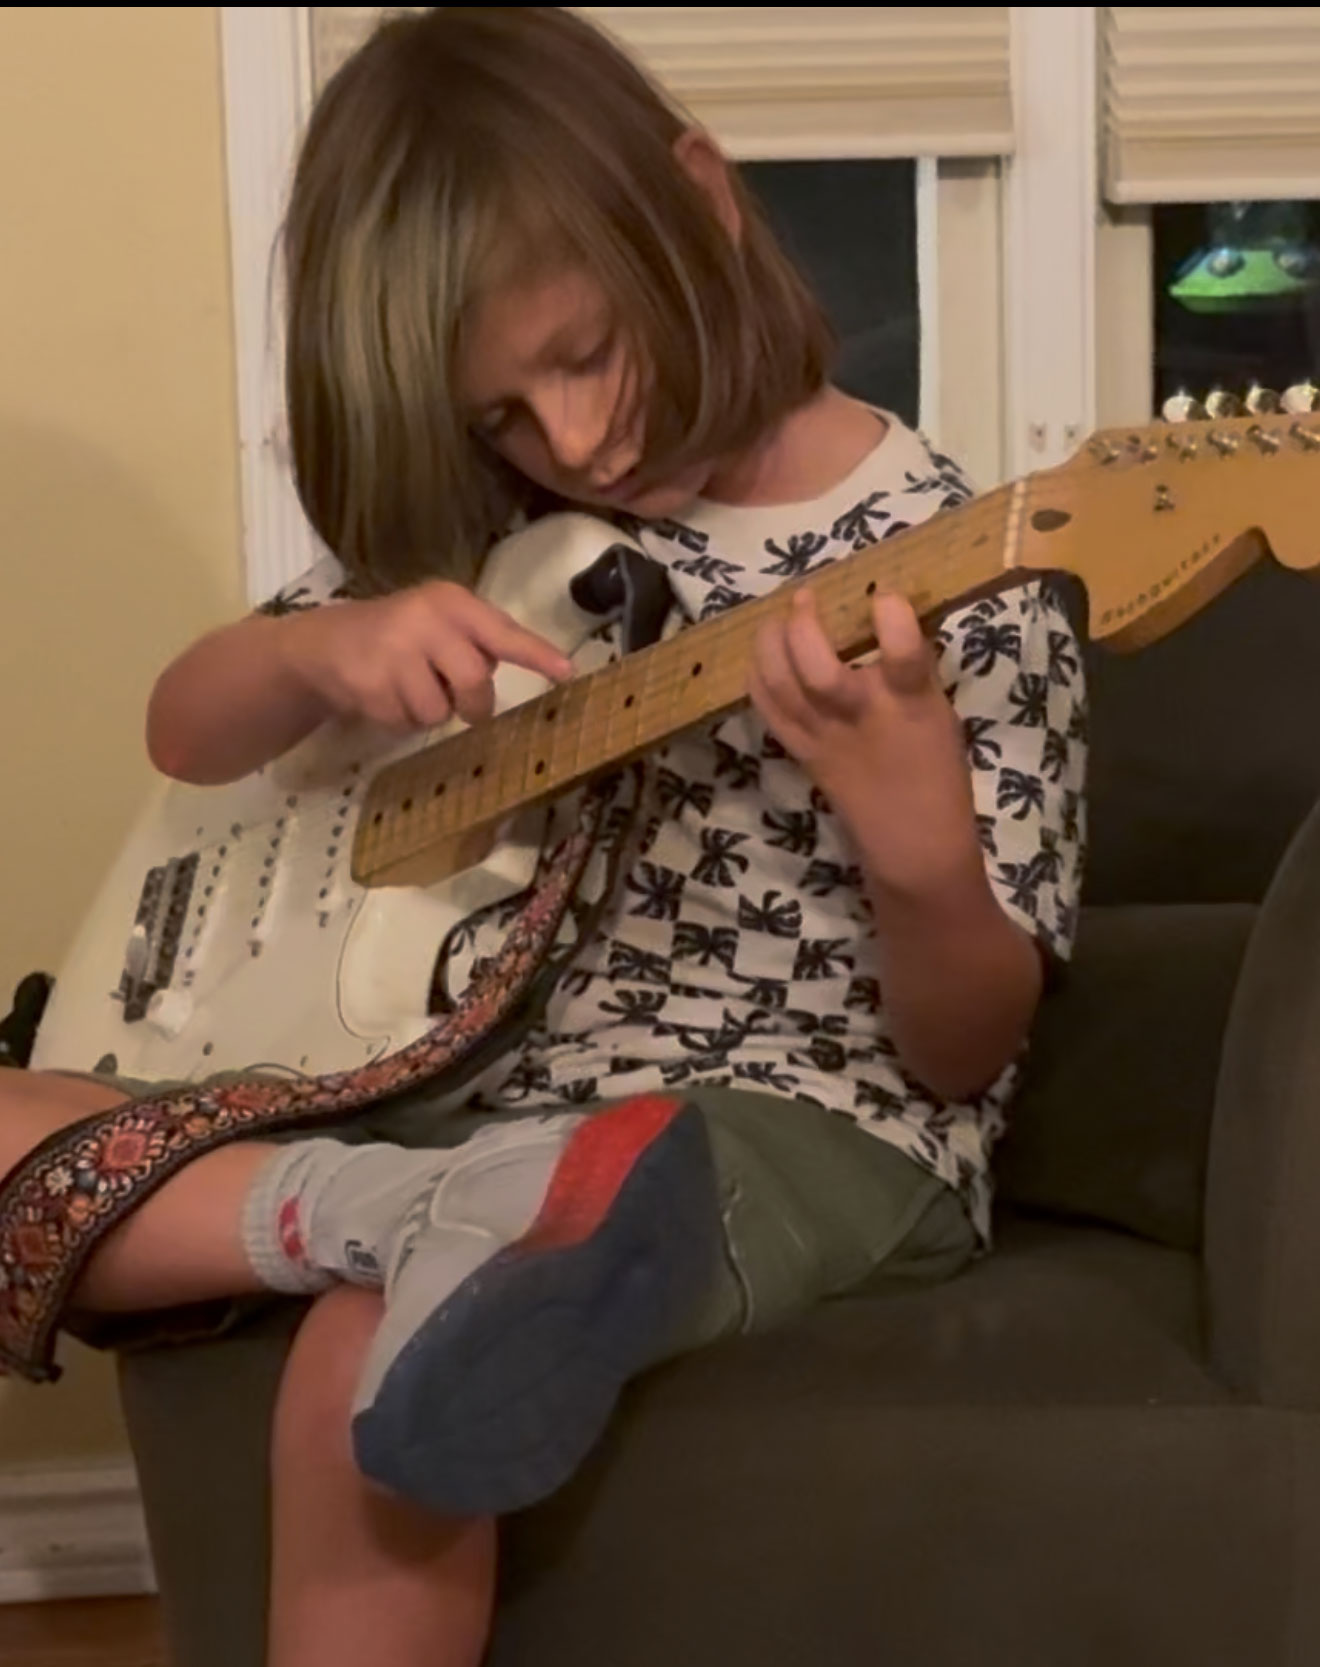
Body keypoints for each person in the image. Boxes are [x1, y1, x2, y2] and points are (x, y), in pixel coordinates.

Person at [0, 9, 1086, 1665]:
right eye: (506, 412)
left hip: (790, 1109)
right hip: (455, 1092)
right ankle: (389, 1205)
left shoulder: (967, 566)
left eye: (585, 355)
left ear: (703, 204)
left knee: (382, 1352)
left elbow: (955, 1060)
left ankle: (424, 1227)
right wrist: (310, 653)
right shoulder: (510, 539)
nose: (573, 443)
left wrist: (921, 850)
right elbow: (184, 728)